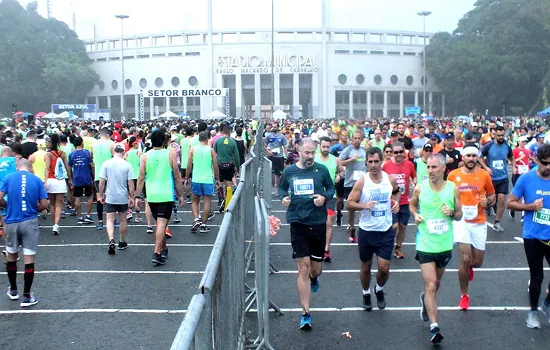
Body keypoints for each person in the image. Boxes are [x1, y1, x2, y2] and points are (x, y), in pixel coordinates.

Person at [279, 138, 335, 330]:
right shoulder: (289, 171)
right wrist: (283, 198)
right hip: (297, 222)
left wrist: (324, 197)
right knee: (303, 267)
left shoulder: (321, 170)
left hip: (318, 222)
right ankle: (305, 313)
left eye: (313, 153)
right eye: (307, 153)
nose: (310, 156)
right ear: (299, 151)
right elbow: (281, 189)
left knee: (314, 269)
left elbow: (332, 188)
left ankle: (314, 278)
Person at [410, 153, 462, 344]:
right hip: (425, 243)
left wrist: (452, 213)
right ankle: (434, 327)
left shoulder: (452, 189)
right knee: (431, 284)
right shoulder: (420, 188)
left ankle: (425, 300)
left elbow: (459, 214)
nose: (430, 171)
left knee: (435, 285)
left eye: (433, 167)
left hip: (444, 244)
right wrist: (415, 215)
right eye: (428, 167)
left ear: (443, 169)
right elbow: (412, 205)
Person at [346, 147, 400, 311]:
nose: (373, 165)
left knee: (384, 267)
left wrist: (396, 202)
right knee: (366, 266)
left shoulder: (389, 179)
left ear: (381, 161)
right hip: (367, 231)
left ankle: (379, 289)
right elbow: (349, 203)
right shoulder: (362, 181)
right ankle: (366, 293)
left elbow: (397, 193)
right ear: (366, 163)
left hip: (385, 231)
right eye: (370, 162)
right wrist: (364, 205)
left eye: (376, 161)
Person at [507, 144, 550, 329]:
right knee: (537, 276)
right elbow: (510, 203)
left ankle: (547, 303)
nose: (548, 167)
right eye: (545, 163)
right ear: (537, 160)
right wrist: (530, 207)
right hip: (533, 236)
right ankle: (533, 312)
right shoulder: (526, 179)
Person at [447, 145, 495, 310]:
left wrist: (487, 202)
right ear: (463, 157)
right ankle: (464, 295)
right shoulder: (453, 175)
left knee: (477, 262)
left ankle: (470, 268)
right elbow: (447, 195)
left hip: (479, 220)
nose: (471, 159)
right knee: (465, 259)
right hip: (460, 221)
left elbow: (492, 196)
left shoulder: (484, 175)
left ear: (478, 158)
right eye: (468, 156)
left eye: (474, 156)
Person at [1, 159, 49, 307]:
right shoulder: (36, 180)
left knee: (12, 255)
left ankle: (14, 290)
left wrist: (7, 206)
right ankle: (27, 295)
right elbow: (44, 203)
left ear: (17, 167)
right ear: (31, 168)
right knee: (29, 258)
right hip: (29, 221)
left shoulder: (9, 178)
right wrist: (35, 209)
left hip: (11, 221)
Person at [136, 130, 184, 265]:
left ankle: (163, 248)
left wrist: (137, 196)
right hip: (166, 193)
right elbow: (176, 176)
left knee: (159, 223)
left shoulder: (145, 156)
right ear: (164, 141)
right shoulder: (170, 154)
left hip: (151, 194)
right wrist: (180, 194)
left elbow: (140, 178)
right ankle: (157, 252)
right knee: (162, 223)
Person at [98, 143, 134, 255]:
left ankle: (111, 240)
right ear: (123, 151)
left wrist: (101, 194)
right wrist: (131, 196)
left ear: (113, 151)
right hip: (122, 196)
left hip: (110, 195)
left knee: (109, 219)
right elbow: (130, 182)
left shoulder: (106, 163)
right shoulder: (127, 165)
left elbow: (102, 181)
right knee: (123, 219)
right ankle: (122, 241)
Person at [382, 141, 417, 259]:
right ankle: (387, 244)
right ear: (392, 153)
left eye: (400, 152)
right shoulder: (386, 166)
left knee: (403, 226)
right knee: (394, 226)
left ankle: (398, 248)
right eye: (395, 152)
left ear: (404, 152)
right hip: (391, 201)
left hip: (405, 201)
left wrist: (414, 182)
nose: (398, 154)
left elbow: (414, 176)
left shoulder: (409, 165)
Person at [314, 136, 344, 262]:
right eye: (323, 146)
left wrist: (339, 176)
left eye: (328, 147)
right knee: (315, 223)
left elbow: (342, 172)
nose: (326, 149)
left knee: (328, 222)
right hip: (315, 194)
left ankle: (326, 250)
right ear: (319, 146)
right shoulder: (314, 158)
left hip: (330, 196)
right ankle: (315, 247)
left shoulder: (335, 160)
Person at [479, 126, 514, 232]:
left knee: (502, 198)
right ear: (494, 135)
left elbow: (511, 157)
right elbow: (479, 157)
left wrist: (513, 165)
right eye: (499, 135)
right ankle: (487, 208)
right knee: (490, 201)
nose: (501, 137)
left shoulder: (507, 147)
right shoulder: (488, 146)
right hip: (491, 178)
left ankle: (497, 222)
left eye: (502, 135)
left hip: (503, 177)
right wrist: (486, 168)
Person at [185, 131, 219, 233]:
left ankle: (196, 219)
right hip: (208, 179)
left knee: (195, 200)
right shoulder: (211, 150)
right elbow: (215, 166)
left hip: (196, 179)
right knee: (207, 202)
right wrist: (217, 179)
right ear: (207, 139)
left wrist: (186, 177)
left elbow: (188, 165)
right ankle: (203, 224)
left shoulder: (192, 149)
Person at [339, 131, 367, 242]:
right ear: (351, 139)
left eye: (358, 138)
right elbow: (339, 162)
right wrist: (351, 160)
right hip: (350, 183)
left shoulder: (364, 150)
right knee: (351, 208)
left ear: (361, 139)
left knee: (362, 205)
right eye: (355, 138)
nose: (356, 140)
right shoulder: (348, 150)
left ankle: (362, 227)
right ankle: (351, 226)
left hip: (362, 183)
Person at [44, 133, 72, 236]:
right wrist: (69, 179)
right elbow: (67, 168)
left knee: (52, 204)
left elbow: (47, 168)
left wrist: (45, 181)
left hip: (51, 180)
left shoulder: (48, 155)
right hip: (60, 181)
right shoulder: (63, 153)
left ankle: (53, 224)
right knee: (59, 204)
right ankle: (56, 224)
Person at [213, 123, 240, 212]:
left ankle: (221, 199)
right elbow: (236, 156)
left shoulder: (217, 141)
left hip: (219, 165)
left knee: (220, 183)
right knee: (229, 184)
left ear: (222, 131)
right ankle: (228, 203)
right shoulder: (232, 142)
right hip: (229, 165)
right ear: (229, 132)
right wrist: (237, 167)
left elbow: (213, 154)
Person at [68, 136, 95, 224]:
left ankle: (79, 217)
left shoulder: (71, 154)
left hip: (77, 178)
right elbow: (92, 165)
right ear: (82, 143)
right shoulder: (87, 153)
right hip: (87, 178)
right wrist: (94, 176)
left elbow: (69, 167)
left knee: (78, 197)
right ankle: (88, 215)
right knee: (89, 196)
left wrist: (70, 178)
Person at [92, 128, 114, 230]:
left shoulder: (94, 144)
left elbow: (93, 160)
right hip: (110, 174)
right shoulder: (111, 143)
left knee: (99, 197)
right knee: (111, 197)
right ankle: (112, 219)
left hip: (98, 174)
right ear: (108, 135)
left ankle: (100, 221)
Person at [265, 123, 288, 195]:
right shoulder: (269, 136)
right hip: (272, 157)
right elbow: (264, 145)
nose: (274, 128)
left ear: (278, 127)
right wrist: (269, 152)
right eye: (273, 127)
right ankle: (273, 187)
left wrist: (286, 157)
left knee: (278, 174)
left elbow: (285, 147)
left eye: (275, 127)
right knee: (272, 173)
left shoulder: (282, 136)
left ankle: (277, 188)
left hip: (280, 157)